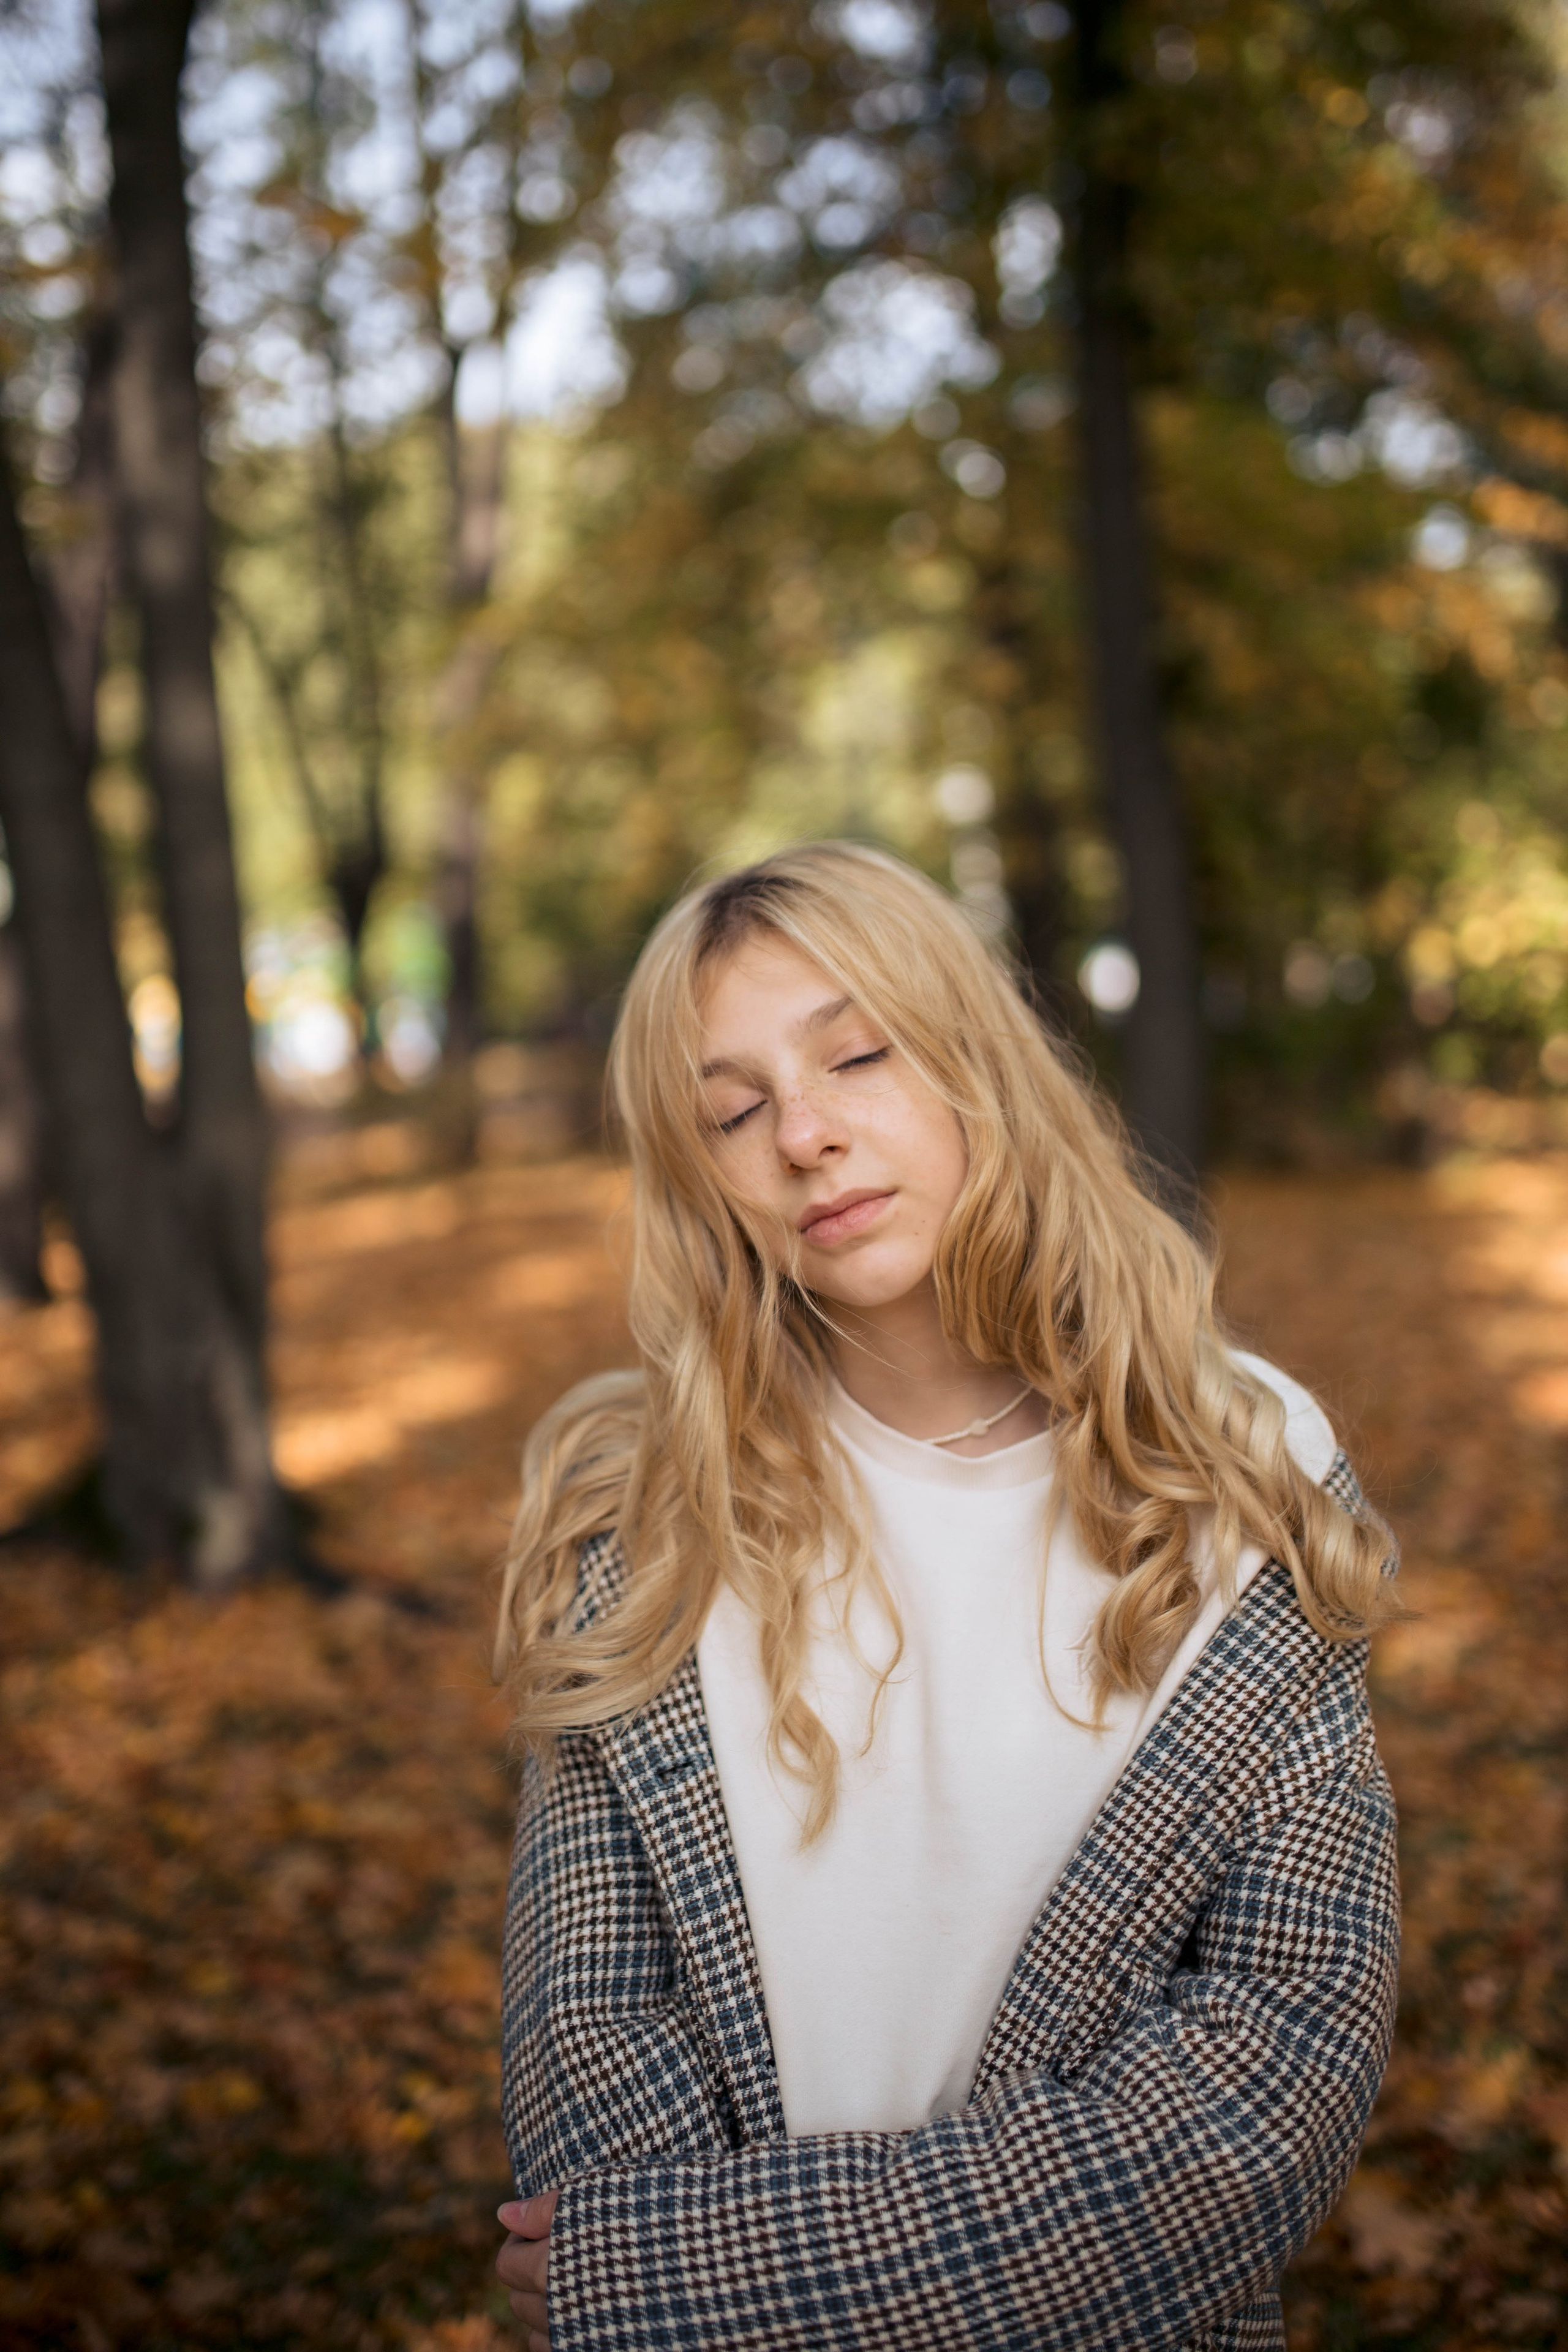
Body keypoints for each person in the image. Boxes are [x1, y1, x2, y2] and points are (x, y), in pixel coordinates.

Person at [491, 842, 1400, 2352]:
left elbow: (1265, 2080)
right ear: (699, 1172)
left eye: (857, 1054)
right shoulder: (634, 1522)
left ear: (977, 1059)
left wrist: (689, 2279)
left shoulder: (1247, 1474)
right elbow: (588, 2051)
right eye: (733, 1109)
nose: (804, 1136)